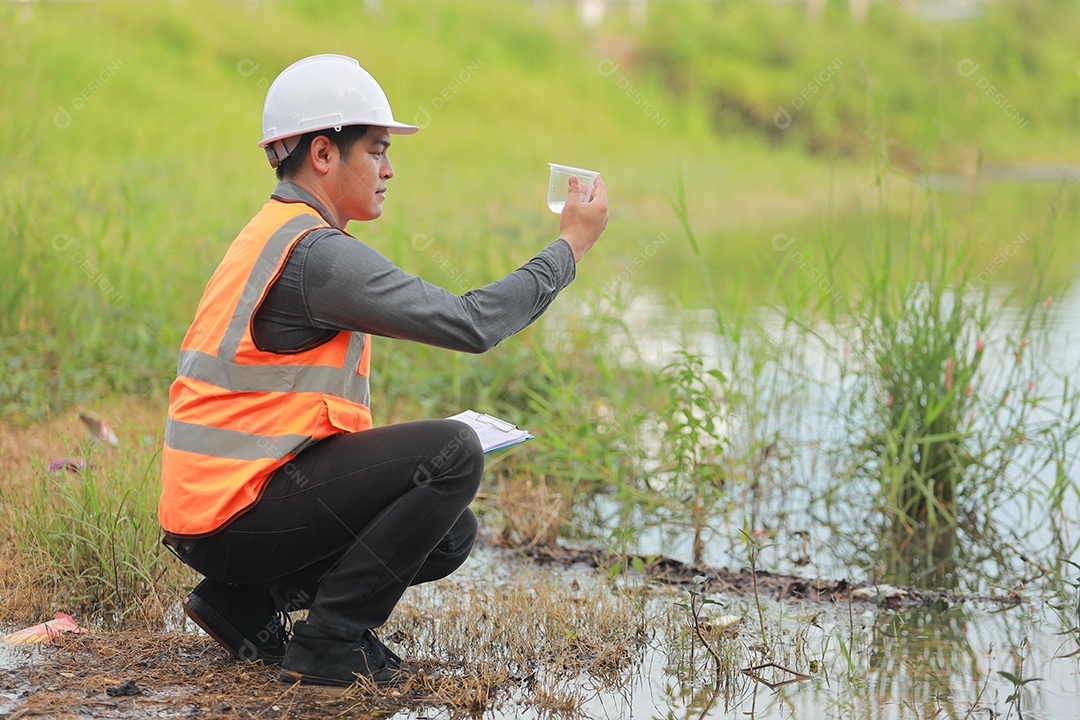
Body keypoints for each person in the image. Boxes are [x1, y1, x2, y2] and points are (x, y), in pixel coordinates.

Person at [157, 54, 608, 688]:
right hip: (235, 516)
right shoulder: (315, 255)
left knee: (450, 532)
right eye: (376, 150)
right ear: (322, 153)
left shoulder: (275, 232)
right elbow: (471, 323)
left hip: (218, 515)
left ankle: (245, 602)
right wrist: (571, 246)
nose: (389, 169)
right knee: (453, 452)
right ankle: (329, 646)